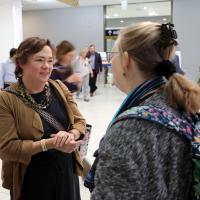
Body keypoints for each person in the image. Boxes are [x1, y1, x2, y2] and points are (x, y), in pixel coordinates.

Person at [91, 22, 200, 199]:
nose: (112, 61)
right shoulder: (180, 106)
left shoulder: (128, 131)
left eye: (115, 54)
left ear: (126, 60)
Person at [0, 37, 86, 200]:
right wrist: (49, 144)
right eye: (39, 60)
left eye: (50, 60)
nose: (47, 66)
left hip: (66, 172)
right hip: (32, 177)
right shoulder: (6, 99)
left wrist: (71, 135)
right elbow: (7, 148)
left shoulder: (59, 87)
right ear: (22, 63)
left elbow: (80, 121)